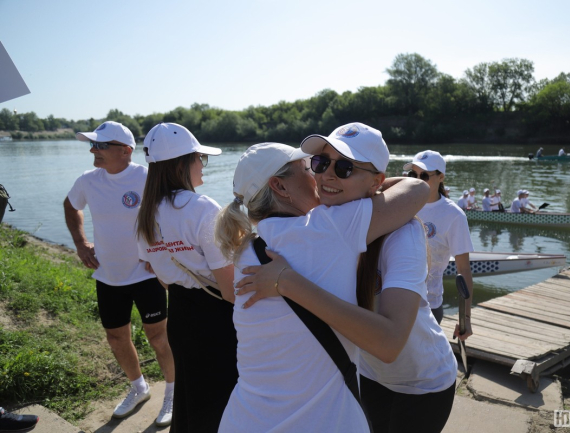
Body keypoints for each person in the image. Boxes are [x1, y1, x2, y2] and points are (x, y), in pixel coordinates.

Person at [215, 123, 429, 432]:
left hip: (244, 418)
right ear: (280, 187)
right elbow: (417, 189)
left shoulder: (247, 248)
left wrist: (370, 184)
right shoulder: (328, 227)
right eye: (314, 165)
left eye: (342, 168)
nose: (321, 175)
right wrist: (373, 185)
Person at [63, 121, 174, 426]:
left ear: (126, 151)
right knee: (116, 338)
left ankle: (172, 393)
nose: (93, 150)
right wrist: (80, 243)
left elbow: (171, 213)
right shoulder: (87, 180)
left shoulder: (147, 177)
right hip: (108, 276)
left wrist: (160, 251)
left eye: (101, 145)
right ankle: (139, 388)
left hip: (146, 275)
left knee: (158, 338)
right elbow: (71, 206)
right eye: (93, 144)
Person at [135, 123, 237, 432]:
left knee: (190, 395)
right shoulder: (201, 208)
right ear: (182, 164)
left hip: (180, 314)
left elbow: (163, 278)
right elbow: (230, 291)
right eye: (199, 158)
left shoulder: (145, 213)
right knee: (222, 400)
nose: (203, 165)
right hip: (216, 318)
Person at [404, 150, 474, 326]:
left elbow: (464, 269)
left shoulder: (454, 215)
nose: (418, 180)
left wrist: (465, 318)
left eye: (424, 175)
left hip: (428, 306)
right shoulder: (402, 202)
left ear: (441, 177)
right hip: (396, 301)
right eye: (413, 175)